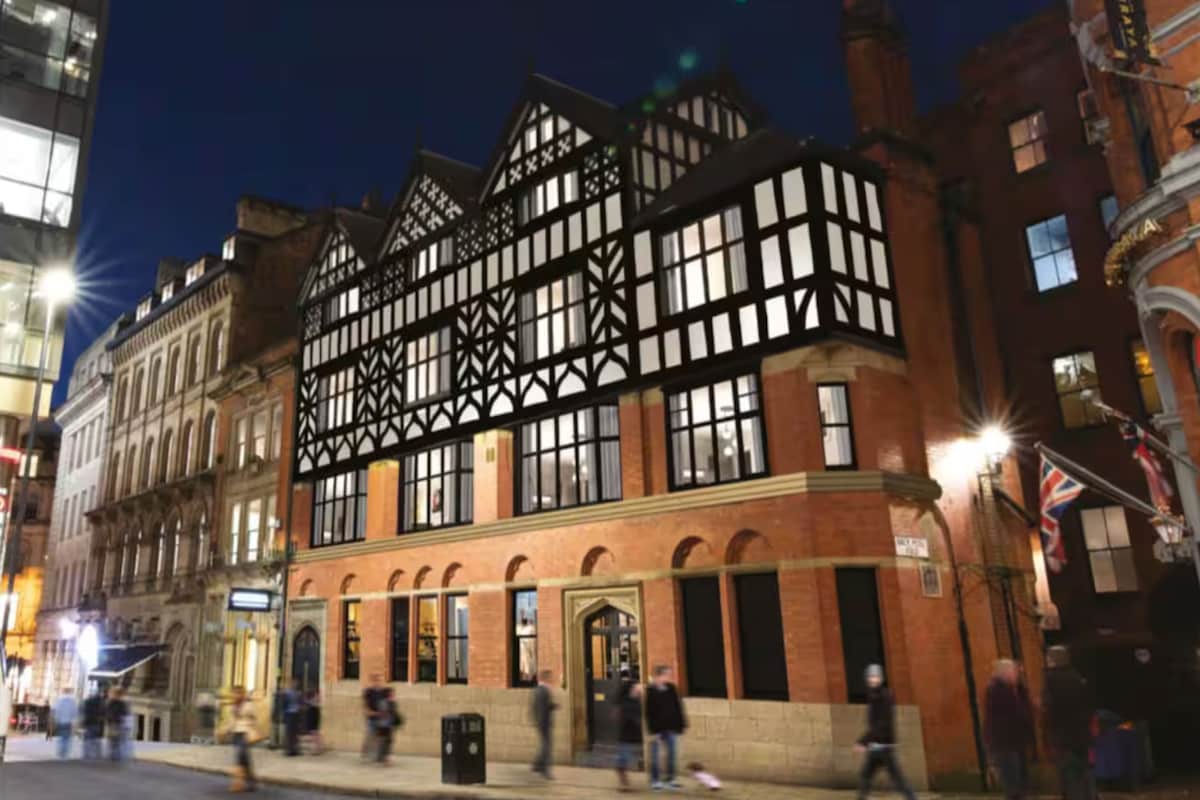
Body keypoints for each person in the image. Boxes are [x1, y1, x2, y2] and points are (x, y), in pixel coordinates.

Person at [855, 664, 917, 800]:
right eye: (871, 677)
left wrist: (863, 741)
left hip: (884, 747)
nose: (873, 680)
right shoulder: (873, 696)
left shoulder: (885, 696)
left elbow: (882, 723)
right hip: (875, 747)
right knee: (865, 774)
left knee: (898, 779)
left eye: (876, 677)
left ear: (881, 678)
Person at [1042, 646, 1095, 800]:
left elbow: (1050, 709)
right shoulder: (1077, 677)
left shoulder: (1050, 679)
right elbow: (1089, 704)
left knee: (1070, 778)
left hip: (1063, 738)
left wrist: (1046, 734)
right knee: (1085, 775)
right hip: (1082, 736)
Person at [985, 659, 1035, 800]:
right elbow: (1014, 714)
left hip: (1015, 743)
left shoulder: (1014, 689)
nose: (1017, 674)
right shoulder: (997, 690)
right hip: (1006, 744)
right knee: (1014, 785)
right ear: (1005, 673)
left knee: (1021, 782)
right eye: (1014, 671)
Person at [645, 664, 686, 791]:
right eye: (666, 674)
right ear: (658, 675)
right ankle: (655, 780)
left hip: (671, 727)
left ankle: (670, 779)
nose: (669, 677)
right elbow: (648, 712)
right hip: (657, 729)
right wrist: (652, 730)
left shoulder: (671, 688)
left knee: (671, 755)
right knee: (655, 756)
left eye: (669, 674)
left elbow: (678, 707)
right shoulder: (650, 690)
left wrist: (681, 724)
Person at [228, 686, 259, 793]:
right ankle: (252, 781)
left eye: (237, 693)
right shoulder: (233, 706)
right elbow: (232, 720)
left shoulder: (248, 704)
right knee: (245, 759)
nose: (235, 695)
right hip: (236, 733)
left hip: (246, 733)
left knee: (240, 756)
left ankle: (237, 783)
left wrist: (251, 727)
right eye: (234, 693)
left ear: (242, 694)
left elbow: (255, 718)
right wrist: (228, 729)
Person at [615, 675, 643, 793]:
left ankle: (624, 781)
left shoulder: (635, 700)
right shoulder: (627, 702)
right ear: (632, 688)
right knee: (623, 758)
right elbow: (628, 717)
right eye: (637, 686)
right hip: (626, 735)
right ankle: (624, 783)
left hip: (630, 735)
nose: (639, 687)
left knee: (625, 757)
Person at [530, 669, 557, 779]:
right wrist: (542, 723)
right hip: (544, 723)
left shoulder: (539, 690)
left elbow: (538, 707)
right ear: (545, 678)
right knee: (547, 746)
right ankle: (545, 770)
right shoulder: (542, 690)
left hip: (542, 722)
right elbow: (540, 709)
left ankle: (537, 765)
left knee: (545, 745)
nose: (551, 679)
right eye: (549, 677)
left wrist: (552, 706)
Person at [361, 673, 384, 760]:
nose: (378, 682)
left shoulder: (381, 692)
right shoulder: (368, 691)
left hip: (379, 718)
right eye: (376, 680)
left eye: (379, 680)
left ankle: (378, 755)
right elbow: (365, 705)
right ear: (373, 681)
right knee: (370, 735)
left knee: (378, 736)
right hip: (371, 718)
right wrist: (370, 712)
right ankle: (365, 750)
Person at [374, 686, 400, 764]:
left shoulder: (388, 702)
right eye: (392, 693)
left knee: (386, 741)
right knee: (385, 741)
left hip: (387, 725)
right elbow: (384, 713)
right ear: (388, 694)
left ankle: (381, 757)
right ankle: (384, 758)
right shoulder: (385, 702)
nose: (393, 695)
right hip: (384, 725)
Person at [52, 687, 78, 759]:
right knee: (67, 738)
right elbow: (75, 712)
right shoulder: (73, 701)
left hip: (61, 721)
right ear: (70, 692)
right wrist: (74, 722)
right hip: (69, 722)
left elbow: (56, 711)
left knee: (61, 737)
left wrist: (56, 720)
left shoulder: (59, 700)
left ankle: (60, 752)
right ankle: (65, 754)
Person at [105, 687, 129, 763]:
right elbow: (125, 713)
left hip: (114, 724)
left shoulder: (112, 702)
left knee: (114, 740)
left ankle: (114, 756)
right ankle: (116, 756)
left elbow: (107, 713)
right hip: (118, 723)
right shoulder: (122, 703)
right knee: (116, 740)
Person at [81, 690, 105, 759]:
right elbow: (103, 713)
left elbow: (84, 711)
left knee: (87, 739)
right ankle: (98, 754)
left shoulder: (87, 702)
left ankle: (86, 754)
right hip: (96, 722)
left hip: (88, 722)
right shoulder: (101, 703)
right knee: (96, 738)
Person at [282, 679, 301, 756]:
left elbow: (299, 703)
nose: (295, 685)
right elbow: (284, 703)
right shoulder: (289, 692)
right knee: (290, 733)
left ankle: (292, 750)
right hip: (291, 714)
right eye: (294, 683)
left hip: (293, 714)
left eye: (296, 684)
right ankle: (290, 750)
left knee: (293, 733)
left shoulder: (295, 693)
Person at [302, 689, 324, 755]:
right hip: (314, 716)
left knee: (314, 733)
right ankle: (316, 748)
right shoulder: (316, 699)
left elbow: (314, 704)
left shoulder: (316, 699)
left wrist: (307, 701)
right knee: (314, 733)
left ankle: (316, 749)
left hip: (314, 716)